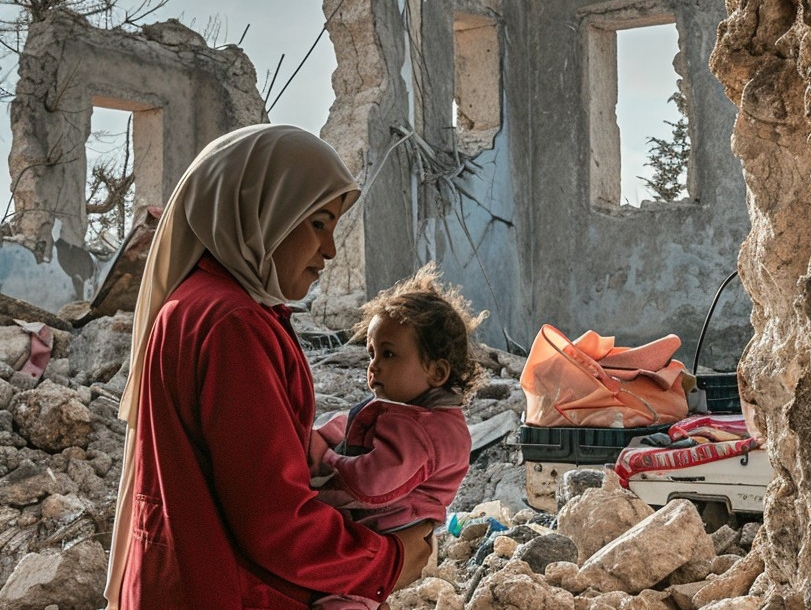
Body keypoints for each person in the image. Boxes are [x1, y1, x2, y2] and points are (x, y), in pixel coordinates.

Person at [104, 124, 434, 610]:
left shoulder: (195, 306)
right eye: (318, 223)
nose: (330, 250)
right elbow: (275, 522)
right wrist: (386, 560)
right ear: (261, 212)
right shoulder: (233, 323)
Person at [308, 263, 488, 610]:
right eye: (371, 353)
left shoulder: (425, 430)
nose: (373, 366)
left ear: (436, 372)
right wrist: (317, 438)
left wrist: (329, 460)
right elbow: (353, 424)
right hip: (380, 528)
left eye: (388, 354)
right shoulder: (408, 410)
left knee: (344, 597)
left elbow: (374, 484)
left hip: (385, 530)